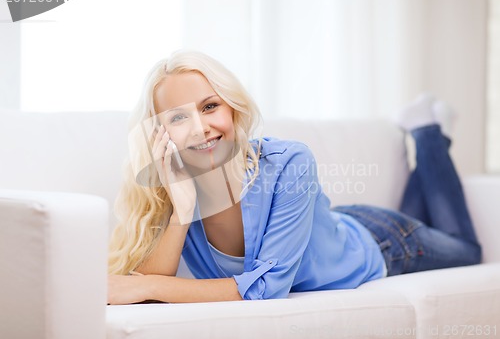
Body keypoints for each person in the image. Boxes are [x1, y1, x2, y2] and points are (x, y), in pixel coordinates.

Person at [107, 50, 481, 305]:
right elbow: (146, 297)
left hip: (380, 242)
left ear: (233, 109)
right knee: (422, 218)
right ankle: (425, 136)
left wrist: (152, 285)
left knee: (467, 251)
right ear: (160, 135)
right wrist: (182, 212)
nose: (200, 128)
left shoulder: (290, 161)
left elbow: (266, 289)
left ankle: (428, 132)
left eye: (210, 106)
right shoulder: (172, 187)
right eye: (177, 117)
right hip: (322, 227)